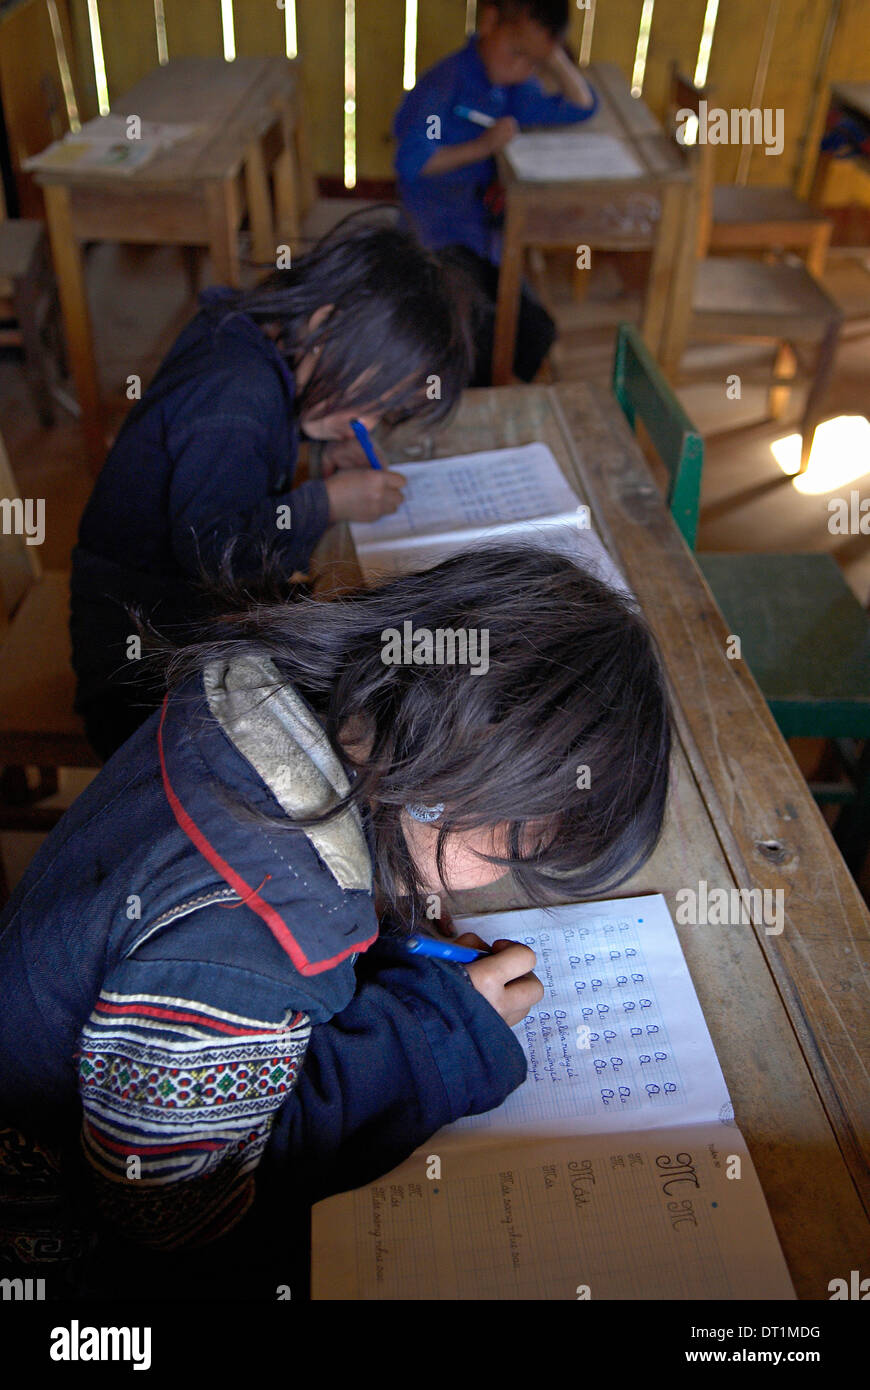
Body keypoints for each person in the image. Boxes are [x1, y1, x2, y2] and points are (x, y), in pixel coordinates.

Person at [0, 545, 671, 1299]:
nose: (494, 887)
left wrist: (384, 904)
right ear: (442, 794)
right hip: (47, 1222)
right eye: (510, 857)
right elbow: (172, 1212)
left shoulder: (261, 697)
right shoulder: (256, 936)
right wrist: (440, 1034)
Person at [69, 217, 475, 761]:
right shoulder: (234, 395)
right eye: (372, 400)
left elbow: (241, 470)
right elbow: (219, 558)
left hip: (177, 623)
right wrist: (328, 501)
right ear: (325, 323)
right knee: (365, 717)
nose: (371, 425)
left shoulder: (250, 334)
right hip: (139, 679)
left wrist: (320, 452)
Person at [393, 0, 598, 385]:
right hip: (438, 236)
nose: (524, 68)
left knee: (537, 332)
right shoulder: (446, 88)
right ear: (488, 22)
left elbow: (581, 107)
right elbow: (412, 161)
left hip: (485, 238)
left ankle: (492, 392)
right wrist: (483, 146)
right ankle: (462, 401)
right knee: (473, 339)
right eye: (518, 52)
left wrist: (551, 56)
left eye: (534, 61)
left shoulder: (510, 87)